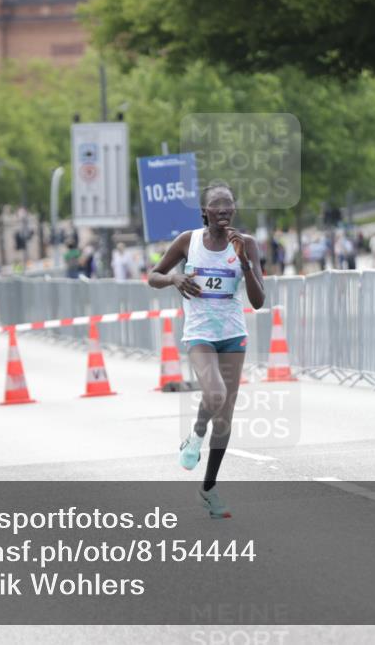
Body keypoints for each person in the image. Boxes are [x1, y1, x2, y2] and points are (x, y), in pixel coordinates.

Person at [148, 183, 265, 519]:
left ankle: (209, 488)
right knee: (214, 394)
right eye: (217, 205)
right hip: (200, 333)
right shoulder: (189, 241)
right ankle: (196, 435)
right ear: (205, 212)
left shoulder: (247, 244)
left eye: (229, 205)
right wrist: (174, 280)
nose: (224, 210)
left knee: (225, 419)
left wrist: (243, 262)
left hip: (233, 334)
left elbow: (258, 302)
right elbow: (153, 275)